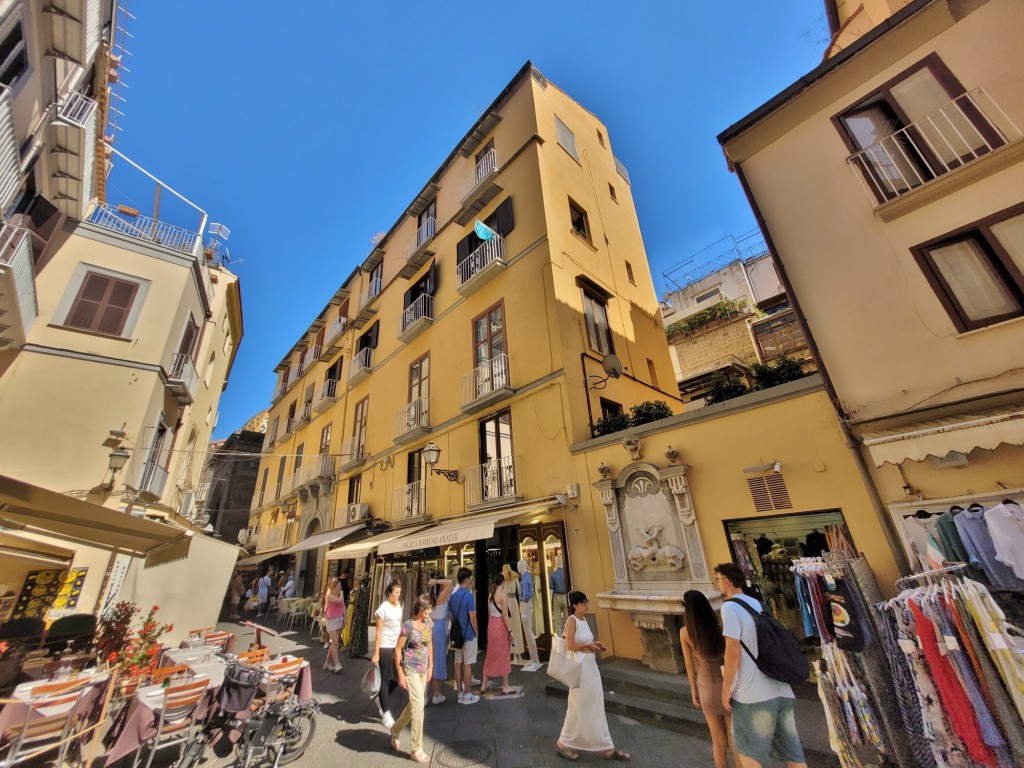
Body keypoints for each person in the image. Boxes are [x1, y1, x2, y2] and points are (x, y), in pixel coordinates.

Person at [715, 563, 807, 768]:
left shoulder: (729, 607)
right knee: (794, 755)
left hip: (752, 694)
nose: (717, 584)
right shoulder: (758, 604)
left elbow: (732, 650)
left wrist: (726, 687)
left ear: (728, 581)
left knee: (750, 755)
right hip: (781, 688)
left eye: (718, 579)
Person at [555, 591, 630, 762]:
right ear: (575, 605)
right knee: (578, 706)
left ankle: (606, 746)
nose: (586, 605)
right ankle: (563, 742)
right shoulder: (572, 620)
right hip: (581, 669)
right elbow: (570, 645)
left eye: (586, 602)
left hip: (590, 666)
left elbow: (584, 643)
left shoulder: (584, 620)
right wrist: (588, 644)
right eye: (582, 603)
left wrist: (594, 644)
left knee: (594, 704)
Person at [681, 590, 733, 768]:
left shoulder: (685, 632)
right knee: (734, 737)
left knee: (717, 740)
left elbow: (689, 664)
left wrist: (693, 690)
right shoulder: (718, 624)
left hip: (705, 685)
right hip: (724, 682)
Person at [390, 595, 434, 764]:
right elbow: (398, 650)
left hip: (423, 668)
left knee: (413, 705)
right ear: (420, 610)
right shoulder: (408, 626)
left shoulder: (429, 624)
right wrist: (400, 673)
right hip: (411, 668)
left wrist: (431, 667)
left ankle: (395, 729)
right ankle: (417, 748)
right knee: (418, 706)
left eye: (430, 608)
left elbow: (429, 645)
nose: (429, 612)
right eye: (427, 609)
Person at [371, 580, 404, 728]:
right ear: (389, 593)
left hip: (396, 646)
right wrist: (376, 653)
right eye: (396, 592)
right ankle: (386, 714)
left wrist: (403, 643)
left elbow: (400, 625)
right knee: (385, 679)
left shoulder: (399, 606)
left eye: (399, 592)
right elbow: (378, 632)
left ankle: (379, 696)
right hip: (384, 646)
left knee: (397, 678)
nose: (398, 595)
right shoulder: (383, 609)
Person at [448, 568, 480, 705]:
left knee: (457, 663)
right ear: (466, 580)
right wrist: (476, 630)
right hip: (467, 634)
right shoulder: (468, 596)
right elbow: (472, 616)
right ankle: (467, 693)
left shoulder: (453, 596)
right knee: (467, 664)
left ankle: (459, 692)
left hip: (457, 634)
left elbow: (450, 615)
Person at [481, 571, 514, 695]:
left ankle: (484, 683)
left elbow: (490, 612)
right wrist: (510, 630)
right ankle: (505, 685)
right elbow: (505, 615)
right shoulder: (503, 596)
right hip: (500, 626)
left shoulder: (490, 595)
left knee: (491, 653)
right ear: (504, 582)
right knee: (504, 653)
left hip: (492, 625)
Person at [428, 576, 454, 704]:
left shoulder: (430, 597)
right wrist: (437, 581)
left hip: (431, 627)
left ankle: (426, 695)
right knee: (437, 661)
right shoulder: (441, 596)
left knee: (430, 661)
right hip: (439, 629)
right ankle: (436, 694)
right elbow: (450, 582)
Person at [517, 559, 542, 671]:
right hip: (526, 604)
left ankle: (535, 659)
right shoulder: (526, 577)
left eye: (519, 565)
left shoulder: (526, 578)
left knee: (529, 632)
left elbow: (528, 593)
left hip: (525, 604)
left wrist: (523, 608)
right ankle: (533, 658)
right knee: (528, 632)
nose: (518, 567)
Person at [502, 564, 525, 665]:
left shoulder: (503, 581)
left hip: (507, 603)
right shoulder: (515, 579)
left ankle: (512, 652)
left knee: (509, 627)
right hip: (514, 602)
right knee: (516, 626)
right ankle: (518, 653)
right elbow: (519, 592)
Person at [323, 577, 345, 672]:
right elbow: (339, 601)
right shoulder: (329, 595)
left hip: (339, 619)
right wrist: (342, 594)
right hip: (331, 620)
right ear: (334, 587)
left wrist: (346, 618)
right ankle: (337, 664)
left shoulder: (339, 594)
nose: (341, 587)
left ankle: (327, 663)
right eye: (339, 586)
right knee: (335, 641)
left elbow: (343, 605)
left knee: (334, 643)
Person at [348, 575, 371, 659]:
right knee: (360, 630)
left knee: (357, 630)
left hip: (358, 614)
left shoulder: (358, 590)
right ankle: (358, 650)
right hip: (362, 614)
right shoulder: (364, 591)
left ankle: (356, 649)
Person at [549, 556, 568, 635]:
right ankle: (568, 636)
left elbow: (551, 588)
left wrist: (550, 600)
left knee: (557, 620)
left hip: (556, 596)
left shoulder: (553, 574)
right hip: (565, 596)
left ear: (557, 563)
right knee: (568, 618)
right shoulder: (566, 573)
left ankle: (559, 638)